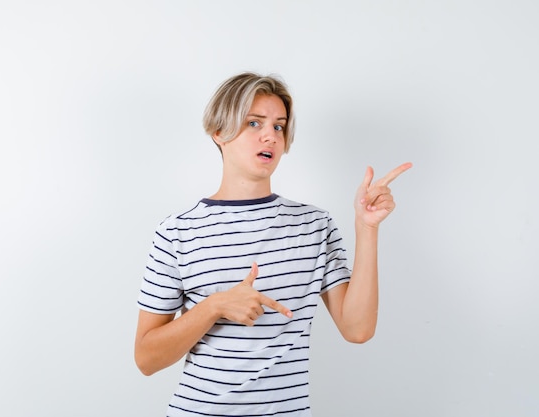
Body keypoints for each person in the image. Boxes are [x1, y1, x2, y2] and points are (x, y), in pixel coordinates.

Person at [134, 72, 412, 416]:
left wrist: (366, 227)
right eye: (254, 123)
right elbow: (146, 358)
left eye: (279, 126)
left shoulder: (314, 226)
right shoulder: (177, 232)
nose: (270, 135)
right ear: (219, 132)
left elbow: (357, 330)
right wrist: (214, 306)